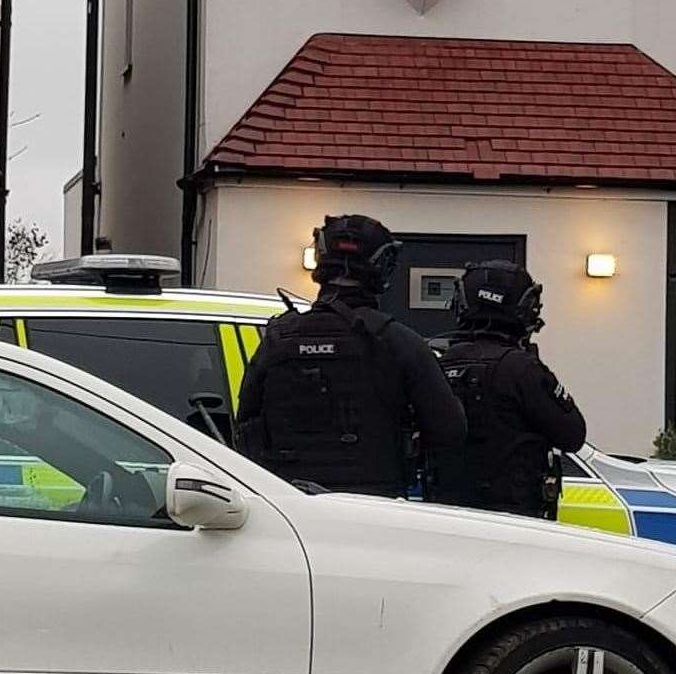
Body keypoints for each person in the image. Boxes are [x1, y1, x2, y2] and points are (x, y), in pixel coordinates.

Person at [236, 215, 465, 497]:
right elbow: (450, 430)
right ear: (383, 266)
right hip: (374, 511)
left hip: (291, 510)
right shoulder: (400, 343)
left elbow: (244, 424)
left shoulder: (277, 340)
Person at [427, 261, 586, 519]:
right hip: (514, 520)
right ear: (525, 310)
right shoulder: (523, 370)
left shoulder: (437, 366)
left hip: (445, 515)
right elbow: (573, 435)